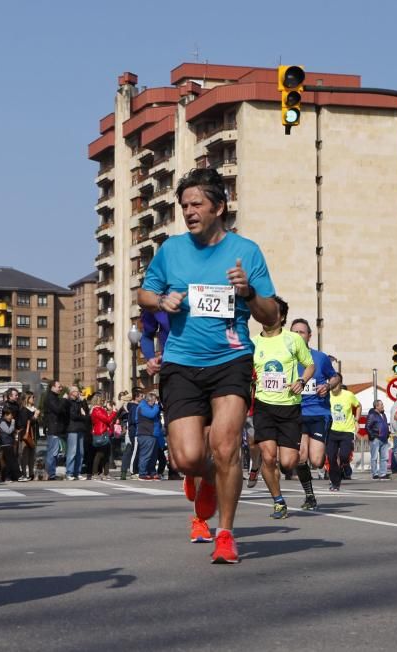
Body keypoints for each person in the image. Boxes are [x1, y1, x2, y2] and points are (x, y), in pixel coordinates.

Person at [138, 167, 280, 564]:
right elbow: (145, 293)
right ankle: (209, 478)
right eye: (184, 205)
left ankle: (225, 534)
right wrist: (160, 301)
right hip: (182, 362)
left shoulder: (246, 252)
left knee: (227, 447)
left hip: (231, 359)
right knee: (185, 457)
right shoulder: (171, 250)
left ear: (219, 206)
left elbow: (270, 316)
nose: (188, 211)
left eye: (196, 203)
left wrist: (248, 291)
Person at [251, 297, 314, 520]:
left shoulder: (293, 340)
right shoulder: (253, 342)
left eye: (273, 312)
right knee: (268, 457)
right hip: (263, 406)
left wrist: (302, 381)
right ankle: (278, 501)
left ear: (282, 317)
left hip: (289, 408)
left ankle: (296, 478)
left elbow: (309, 365)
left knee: (287, 463)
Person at [289, 318, 340, 510]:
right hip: (297, 412)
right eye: (294, 332)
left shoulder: (320, 357)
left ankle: (325, 467)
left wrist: (327, 386)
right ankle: (309, 496)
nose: (298, 335)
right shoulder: (287, 358)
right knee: (301, 457)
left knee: (317, 461)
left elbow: (335, 377)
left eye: (302, 332)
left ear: (309, 336)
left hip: (319, 413)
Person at [327, 376, 361, 491]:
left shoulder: (348, 395)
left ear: (340, 383)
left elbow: (358, 405)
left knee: (344, 456)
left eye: (335, 385)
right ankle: (335, 483)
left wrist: (356, 420)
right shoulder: (326, 395)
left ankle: (344, 466)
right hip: (331, 431)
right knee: (331, 458)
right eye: (331, 384)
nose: (333, 387)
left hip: (347, 431)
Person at [42, 380, 68, 481]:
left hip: (56, 428)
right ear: (52, 387)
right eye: (59, 387)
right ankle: (49, 473)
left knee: (55, 452)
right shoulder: (50, 398)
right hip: (53, 428)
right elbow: (57, 409)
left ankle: (51, 473)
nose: (61, 388)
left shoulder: (55, 397)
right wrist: (64, 400)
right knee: (52, 452)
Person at [65, 386, 90, 480]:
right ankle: (69, 473)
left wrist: (83, 401)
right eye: (77, 391)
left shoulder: (79, 402)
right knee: (72, 452)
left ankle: (77, 472)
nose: (79, 393)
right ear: (72, 392)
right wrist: (82, 416)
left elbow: (86, 413)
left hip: (80, 429)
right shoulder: (69, 402)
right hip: (72, 429)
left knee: (81, 452)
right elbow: (73, 416)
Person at [136, 392, 162, 480]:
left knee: (153, 456)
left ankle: (152, 472)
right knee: (146, 455)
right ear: (149, 400)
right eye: (154, 401)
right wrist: (156, 406)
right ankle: (142, 473)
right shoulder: (142, 406)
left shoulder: (151, 407)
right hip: (146, 434)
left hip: (153, 434)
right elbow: (151, 414)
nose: (155, 402)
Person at [89, 396, 116, 479]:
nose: (103, 402)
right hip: (100, 433)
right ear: (98, 401)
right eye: (102, 400)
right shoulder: (96, 410)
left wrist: (110, 410)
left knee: (107, 454)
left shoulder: (101, 409)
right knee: (100, 454)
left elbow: (108, 419)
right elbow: (107, 419)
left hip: (104, 432)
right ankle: (95, 473)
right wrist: (114, 412)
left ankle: (106, 473)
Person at [119, 389, 142, 480]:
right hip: (132, 431)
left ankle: (124, 472)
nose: (142, 398)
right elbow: (133, 420)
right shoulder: (134, 406)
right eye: (141, 396)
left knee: (129, 452)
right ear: (136, 397)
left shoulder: (129, 406)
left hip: (130, 431)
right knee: (132, 451)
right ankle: (132, 472)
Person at [365, 399, 391, 480]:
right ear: (376, 406)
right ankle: (375, 473)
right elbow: (367, 426)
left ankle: (383, 473)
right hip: (376, 439)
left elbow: (385, 425)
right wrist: (373, 436)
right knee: (374, 457)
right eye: (381, 405)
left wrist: (388, 433)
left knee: (384, 457)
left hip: (384, 439)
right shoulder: (372, 415)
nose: (383, 406)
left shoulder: (383, 415)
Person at [0, 406, 22, 482]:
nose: (12, 417)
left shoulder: (7, 422)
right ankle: (11, 476)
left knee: (9, 462)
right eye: (10, 415)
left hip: (9, 443)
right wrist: (13, 423)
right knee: (9, 462)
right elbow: (8, 431)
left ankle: (10, 477)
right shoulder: (2, 422)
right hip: (5, 444)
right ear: (6, 415)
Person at [19, 391, 40, 481]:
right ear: (27, 399)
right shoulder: (24, 409)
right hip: (26, 435)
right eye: (32, 397)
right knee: (25, 454)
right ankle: (24, 473)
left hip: (33, 435)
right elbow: (24, 422)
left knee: (32, 455)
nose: (34, 399)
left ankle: (31, 473)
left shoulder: (34, 409)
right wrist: (34, 416)